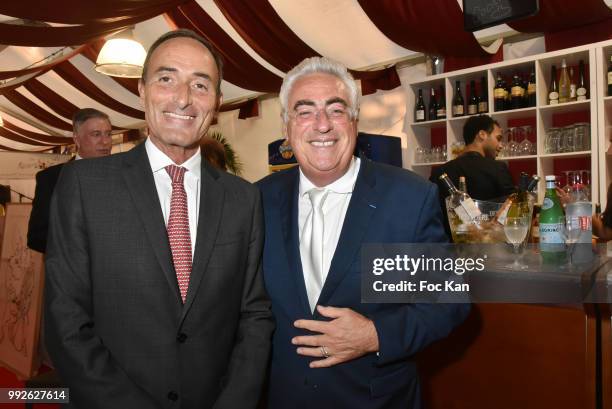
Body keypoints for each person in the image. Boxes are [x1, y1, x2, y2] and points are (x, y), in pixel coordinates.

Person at [44, 29, 274, 409]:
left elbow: (255, 315)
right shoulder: (85, 185)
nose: (182, 98)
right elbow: (65, 321)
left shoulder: (243, 198)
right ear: (142, 90)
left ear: (216, 102)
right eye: (166, 79)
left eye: (200, 85)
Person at [257, 57, 470, 409]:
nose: (322, 125)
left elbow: (450, 300)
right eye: (305, 111)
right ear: (286, 125)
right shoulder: (258, 199)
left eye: (336, 109)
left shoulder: (410, 197)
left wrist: (375, 335)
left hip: (375, 399)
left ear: (354, 119)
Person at [27, 108, 112, 253]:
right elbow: (37, 237)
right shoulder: (51, 178)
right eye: (96, 134)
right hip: (73, 272)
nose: (105, 142)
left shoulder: (124, 175)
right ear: (76, 139)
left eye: (108, 134)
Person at [430, 115, 515, 237]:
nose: (501, 145)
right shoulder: (497, 168)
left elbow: (434, 217)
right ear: (482, 134)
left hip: (452, 250)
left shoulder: (438, 172)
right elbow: (513, 211)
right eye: (498, 138)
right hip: (490, 248)